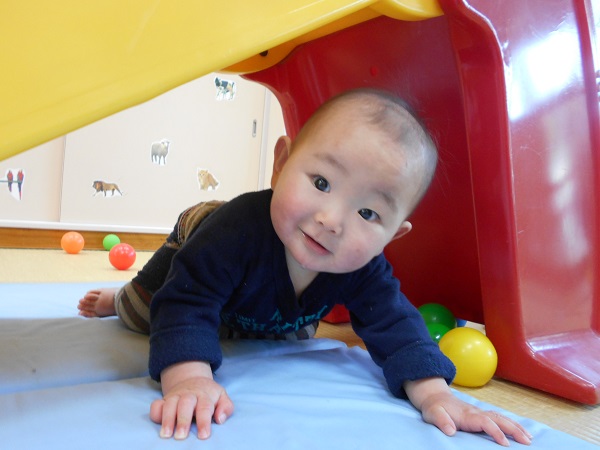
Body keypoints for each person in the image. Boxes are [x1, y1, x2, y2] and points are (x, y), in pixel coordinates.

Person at [78, 88, 532, 447]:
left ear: (391, 237)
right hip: (198, 236)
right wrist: (189, 379)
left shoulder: (361, 265)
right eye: (321, 182)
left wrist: (435, 394)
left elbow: (396, 325)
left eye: (368, 213)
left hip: (252, 299)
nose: (331, 220)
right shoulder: (233, 231)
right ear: (281, 164)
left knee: (281, 338)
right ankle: (120, 297)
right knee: (149, 314)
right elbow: (186, 300)